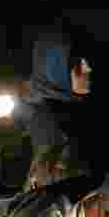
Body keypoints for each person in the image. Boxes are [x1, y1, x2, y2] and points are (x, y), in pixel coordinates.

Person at [22, 23, 94, 190]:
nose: (88, 68)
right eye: (76, 63)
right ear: (54, 69)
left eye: (85, 59)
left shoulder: (64, 109)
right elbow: (57, 185)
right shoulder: (51, 121)